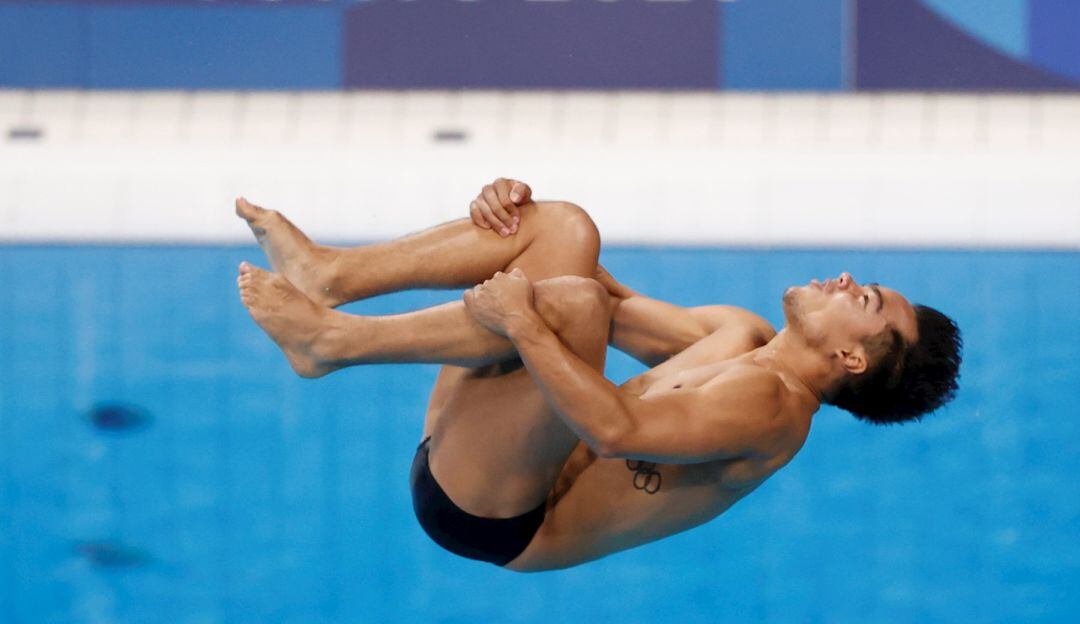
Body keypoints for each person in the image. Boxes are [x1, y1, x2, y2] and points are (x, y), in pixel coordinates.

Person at [234, 178, 962, 572]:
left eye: (864, 300)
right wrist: (504, 221)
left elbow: (615, 430)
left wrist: (523, 321)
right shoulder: (738, 334)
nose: (846, 280)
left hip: (496, 514)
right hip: (486, 448)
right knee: (567, 228)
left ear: (852, 360)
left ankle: (330, 342)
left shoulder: (773, 412)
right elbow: (601, 292)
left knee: (567, 307)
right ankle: (333, 274)